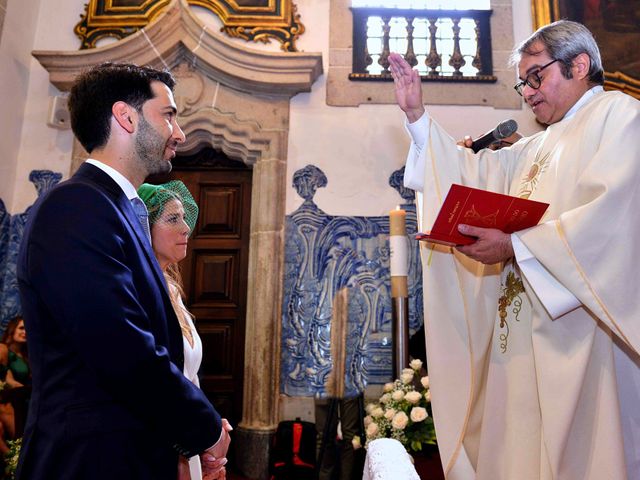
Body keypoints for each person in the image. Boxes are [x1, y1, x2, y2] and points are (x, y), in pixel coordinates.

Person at [389, 20, 640, 480]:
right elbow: (474, 174)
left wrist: (515, 245)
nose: (527, 92)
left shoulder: (620, 117)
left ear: (579, 65)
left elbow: (613, 221)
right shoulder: (537, 145)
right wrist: (419, 119)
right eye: (521, 82)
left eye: (535, 77)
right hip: (522, 335)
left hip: (583, 338)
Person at [17, 62, 231, 480]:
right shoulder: (76, 207)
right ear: (126, 116)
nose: (180, 133)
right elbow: (121, 348)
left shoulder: (118, 209)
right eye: (168, 115)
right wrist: (203, 428)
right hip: (89, 462)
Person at [138, 180, 221, 480]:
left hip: (184, 437)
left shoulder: (172, 289)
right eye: (173, 219)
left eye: (184, 218)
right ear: (143, 225)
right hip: (156, 444)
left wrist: (209, 425)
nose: (186, 228)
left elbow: (189, 376)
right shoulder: (135, 291)